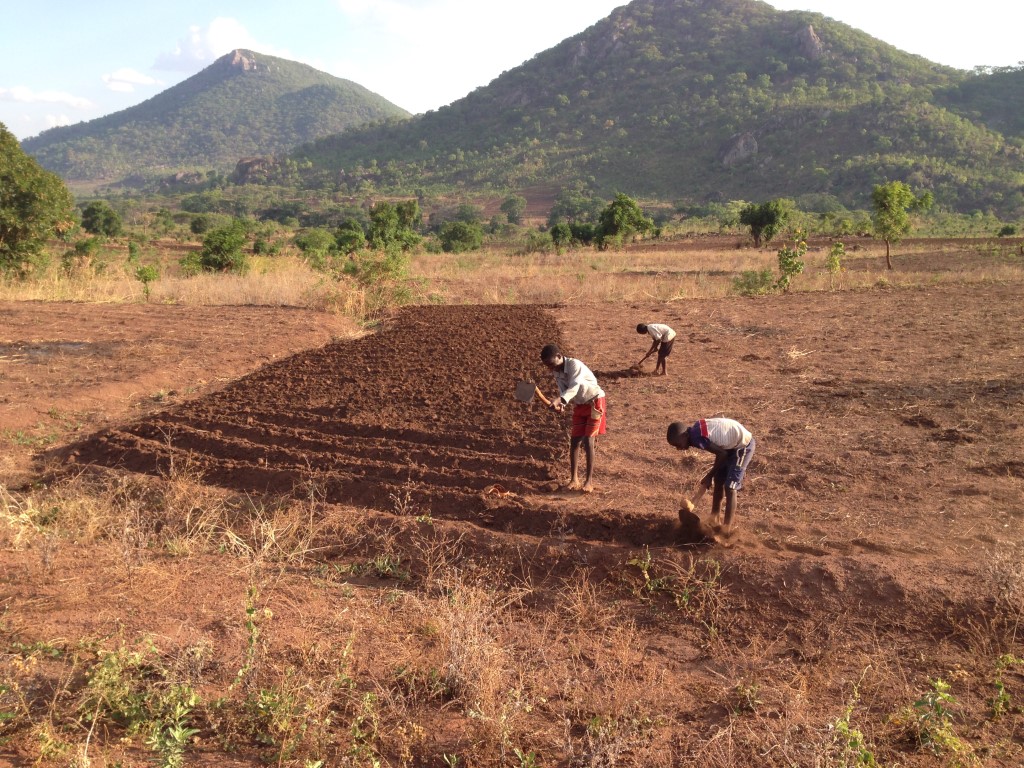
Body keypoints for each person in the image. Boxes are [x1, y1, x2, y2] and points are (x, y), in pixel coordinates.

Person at [666, 417, 755, 537]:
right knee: (719, 481)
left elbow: (722, 454)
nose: (678, 448)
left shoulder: (697, 438)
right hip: (728, 447)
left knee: (730, 487)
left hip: (742, 446)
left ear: (685, 435)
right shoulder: (694, 432)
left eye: (678, 444)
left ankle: (726, 530)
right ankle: (714, 519)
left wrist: (709, 476)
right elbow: (720, 451)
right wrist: (712, 476)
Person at [540, 343, 606, 493]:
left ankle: (588, 481)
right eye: (547, 366)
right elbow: (563, 390)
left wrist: (559, 400)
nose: (550, 368)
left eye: (551, 364)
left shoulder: (574, 365)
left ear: (559, 356)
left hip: (594, 401)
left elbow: (574, 386)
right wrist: (561, 406)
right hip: (579, 404)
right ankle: (574, 479)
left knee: (589, 440)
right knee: (575, 440)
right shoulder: (556, 370)